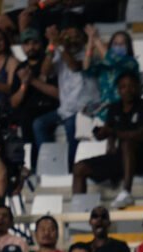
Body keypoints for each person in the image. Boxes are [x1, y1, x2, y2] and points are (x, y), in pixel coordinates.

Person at [73, 70, 143, 209]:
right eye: (123, 86)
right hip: (120, 157)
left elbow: (141, 134)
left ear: (138, 87)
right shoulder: (114, 108)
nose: (127, 90)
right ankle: (78, 210)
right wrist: (100, 133)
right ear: (118, 90)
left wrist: (113, 132)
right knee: (79, 168)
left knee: (127, 144)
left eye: (131, 86)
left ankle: (126, 193)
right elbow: (108, 133)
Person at [33, 21, 99, 172]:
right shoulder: (60, 53)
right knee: (39, 124)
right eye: (68, 37)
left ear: (83, 38)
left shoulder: (89, 53)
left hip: (88, 108)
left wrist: (59, 45)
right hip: (66, 108)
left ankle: (70, 169)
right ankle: (50, 166)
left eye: (76, 36)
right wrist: (51, 43)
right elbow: (44, 72)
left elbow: (74, 66)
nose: (72, 40)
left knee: (70, 124)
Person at [9, 27, 59, 158]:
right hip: (28, 112)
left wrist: (32, 80)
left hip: (49, 107)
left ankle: (44, 161)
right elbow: (14, 102)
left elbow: (57, 93)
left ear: (41, 44)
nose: (31, 47)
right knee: (24, 117)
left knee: (34, 120)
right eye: (27, 44)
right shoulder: (20, 68)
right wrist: (24, 84)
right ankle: (30, 162)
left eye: (35, 43)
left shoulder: (48, 63)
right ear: (22, 47)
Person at [82, 25, 139, 120]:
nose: (118, 46)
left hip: (124, 112)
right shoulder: (103, 65)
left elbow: (111, 59)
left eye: (122, 44)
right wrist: (90, 43)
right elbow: (86, 68)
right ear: (111, 46)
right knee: (82, 114)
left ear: (128, 47)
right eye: (115, 44)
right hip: (104, 113)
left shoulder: (131, 62)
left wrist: (96, 39)